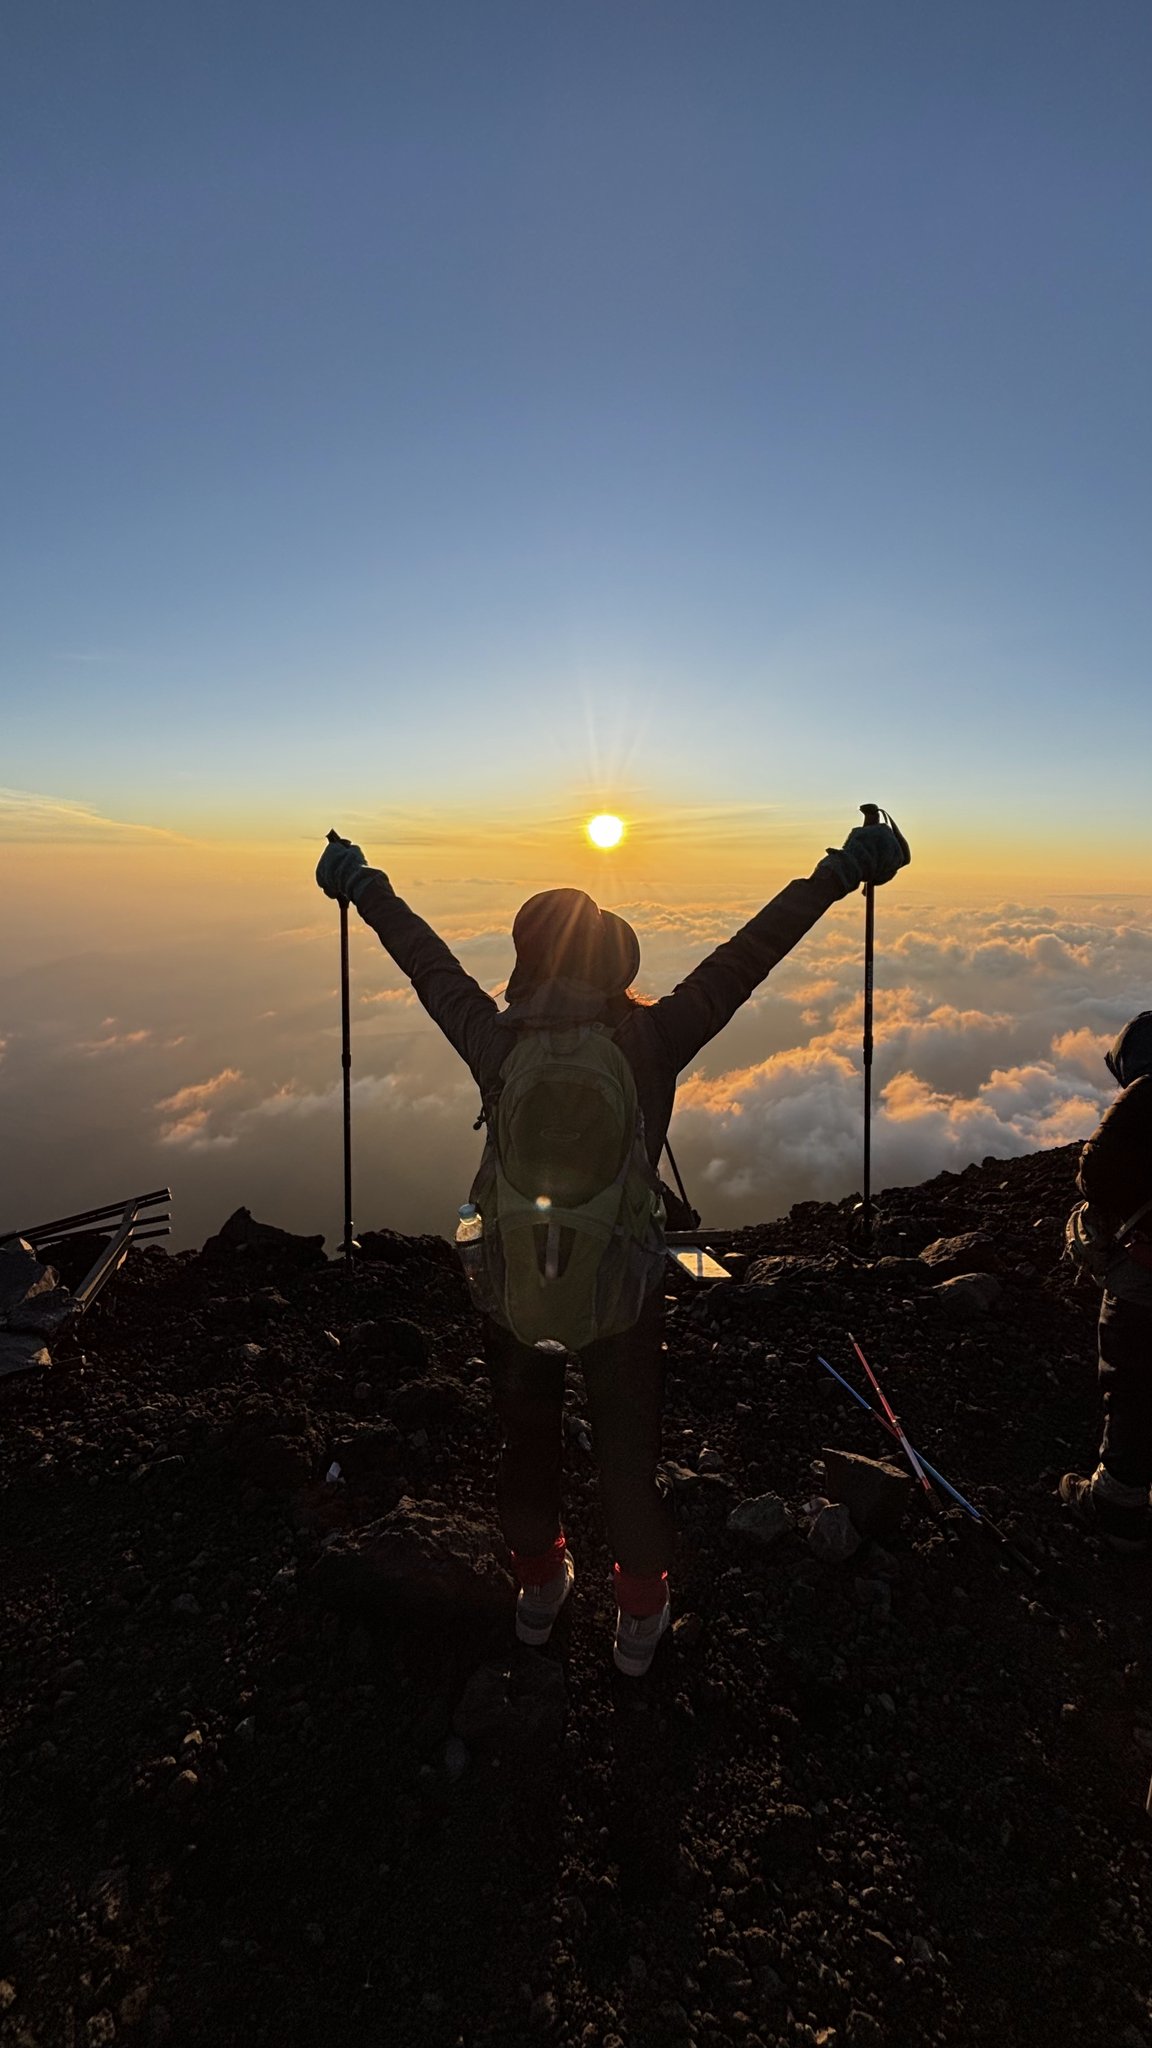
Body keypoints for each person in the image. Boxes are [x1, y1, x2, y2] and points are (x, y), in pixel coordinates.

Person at [316, 815, 911, 1671]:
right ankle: (637, 1615)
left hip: (517, 1287)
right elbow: (749, 956)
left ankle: (539, 1589)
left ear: (525, 962)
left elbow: (427, 963)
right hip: (624, 1293)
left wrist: (363, 882)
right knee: (628, 1455)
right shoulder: (651, 1041)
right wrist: (840, 871)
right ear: (618, 966)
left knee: (527, 1444)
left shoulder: (494, 1040)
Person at [1059, 1011, 1152, 1554]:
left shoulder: (1145, 1095)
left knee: (1134, 1373)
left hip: (1146, 1280)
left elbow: (1095, 1170)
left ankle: (1117, 1506)